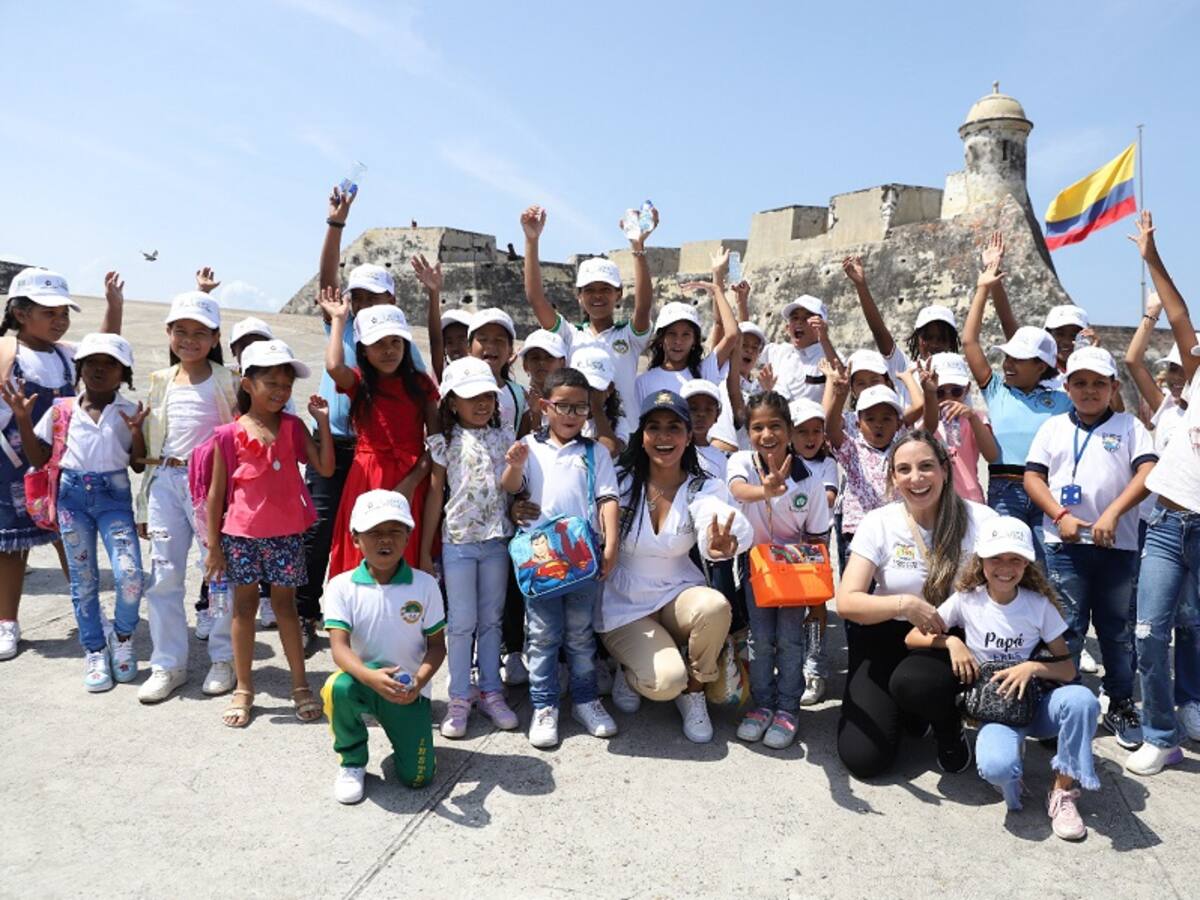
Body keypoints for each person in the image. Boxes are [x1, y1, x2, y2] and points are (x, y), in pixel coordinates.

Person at [907, 517, 1098, 841]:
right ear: (981, 561)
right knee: (997, 767)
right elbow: (913, 637)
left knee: (1083, 701)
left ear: (1027, 564)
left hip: (1036, 703)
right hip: (997, 711)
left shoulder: (1039, 606)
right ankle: (1012, 774)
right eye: (996, 558)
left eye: (1015, 559)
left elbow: (1067, 671)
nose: (1005, 568)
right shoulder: (968, 600)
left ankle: (1063, 790)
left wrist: (1033, 668)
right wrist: (952, 641)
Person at [836, 431, 998, 779]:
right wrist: (904, 604)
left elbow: (1008, 589)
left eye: (926, 467)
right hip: (885, 634)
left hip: (948, 638)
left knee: (915, 685)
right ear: (893, 477)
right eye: (904, 469)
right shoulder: (879, 522)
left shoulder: (982, 521)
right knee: (863, 759)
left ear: (945, 469)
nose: (916, 478)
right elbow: (847, 601)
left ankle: (947, 727)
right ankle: (912, 713)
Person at [596, 391, 752, 743]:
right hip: (624, 605)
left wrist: (721, 546)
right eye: (655, 427)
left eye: (673, 428)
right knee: (665, 682)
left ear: (687, 435)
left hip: (676, 595)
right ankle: (630, 666)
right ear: (642, 434)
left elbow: (719, 522)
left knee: (714, 606)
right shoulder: (619, 482)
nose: (664, 437)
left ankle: (695, 691)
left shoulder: (704, 485)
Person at [1024, 345, 1156, 751]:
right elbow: (1033, 478)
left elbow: (1148, 472)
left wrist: (1113, 513)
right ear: (1067, 386)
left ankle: (1119, 703)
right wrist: (1059, 514)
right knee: (1069, 627)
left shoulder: (1131, 426)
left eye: (1099, 383)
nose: (1089, 391)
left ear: (1113, 386)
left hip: (1118, 544)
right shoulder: (1052, 428)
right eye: (1080, 383)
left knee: (1117, 632)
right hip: (1065, 544)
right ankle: (1066, 702)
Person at [2, 333, 145, 689]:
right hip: (71, 501)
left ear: (124, 374)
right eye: (92, 363)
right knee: (83, 581)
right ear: (79, 369)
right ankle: (94, 649)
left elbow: (138, 465)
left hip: (114, 499)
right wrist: (22, 419)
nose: (100, 369)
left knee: (130, 575)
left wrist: (138, 433)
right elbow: (37, 459)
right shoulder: (62, 409)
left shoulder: (129, 411)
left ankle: (123, 638)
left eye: (110, 363)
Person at [205, 341, 335, 727]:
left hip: (285, 536)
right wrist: (214, 546)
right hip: (241, 536)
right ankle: (244, 688)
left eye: (286, 384)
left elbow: (325, 468)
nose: (280, 391)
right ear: (247, 384)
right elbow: (216, 495)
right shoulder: (227, 435)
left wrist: (322, 422)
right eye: (270, 383)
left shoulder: (294, 427)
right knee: (243, 609)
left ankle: (300, 686)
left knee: (286, 610)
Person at [296, 186, 403, 649]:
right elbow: (326, 282)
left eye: (374, 296)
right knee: (317, 529)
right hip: (330, 442)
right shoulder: (342, 326)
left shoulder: (396, 344)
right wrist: (335, 224)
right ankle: (304, 610)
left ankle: (371, 611)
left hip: (372, 454)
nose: (363, 303)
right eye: (358, 296)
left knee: (369, 532)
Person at [0, 267, 122, 661]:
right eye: (49, 312)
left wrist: (114, 305)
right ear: (20, 313)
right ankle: (6, 623)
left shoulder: (68, 356)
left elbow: (105, 348)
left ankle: (90, 613)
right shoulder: (6, 351)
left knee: (71, 544)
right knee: (10, 548)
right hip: (11, 464)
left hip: (60, 466)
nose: (60, 320)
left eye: (64, 313)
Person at [501, 367, 621, 748]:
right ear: (544, 407)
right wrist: (515, 463)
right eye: (562, 406)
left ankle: (585, 700)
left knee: (581, 636)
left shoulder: (595, 451)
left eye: (580, 408)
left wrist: (612, 545)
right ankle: (545, 705)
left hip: (583, 558)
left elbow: (608, 500)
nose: (571, 415)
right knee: (541, 635)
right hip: (540, 560)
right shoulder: (528, 446)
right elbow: (510, 487)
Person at [1124, 211, 1200, 774]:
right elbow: (1180, 320)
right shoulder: (1197, 377)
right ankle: (1161, 732)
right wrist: (1151, 258)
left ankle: (1192, 705)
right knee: (1149, 632)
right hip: (1172, 523)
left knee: (1195, 628)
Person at [135, 291, 239, 703]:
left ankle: (222, 657)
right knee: (163, 575)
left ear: (215, 338)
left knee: (217, 574)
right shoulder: (160, 380)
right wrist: (145, 502)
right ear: (168, 333)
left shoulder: (228, 380)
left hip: (211, 488)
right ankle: (168, 663)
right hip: (165, 480)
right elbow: (149, 442)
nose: (190, 340)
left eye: (200, 332)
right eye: (181, 331)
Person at [321, 490, 446, 805]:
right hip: (362, 682)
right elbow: (339, 648)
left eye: (394, 531)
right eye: (374, 532)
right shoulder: (341, 586)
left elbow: (436, 647)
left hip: (408, 691)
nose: (384, 540)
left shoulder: (425, 585)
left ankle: (402, 733)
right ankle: (352, 761)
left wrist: (418, 681)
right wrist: (369, 677)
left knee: (419, 779)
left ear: (408, 537)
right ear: (355, 539)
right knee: (336, 687)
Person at [418, 357, 519, 738]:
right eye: (470, 396)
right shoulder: (443, 443)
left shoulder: (505, 437)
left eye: (488, 396)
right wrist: (428, 549)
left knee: (491, 620)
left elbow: (513, 486)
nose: (481, 403)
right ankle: (459, 695)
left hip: (496, 541)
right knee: (460, 623)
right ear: (452, 403)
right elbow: (434, 496)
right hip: (458, 542)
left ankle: (491, 690)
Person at [728, 391, 831, 749]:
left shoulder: (811, 480)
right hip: (757, 567)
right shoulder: (740, 462)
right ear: (748, 432)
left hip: (796, 572)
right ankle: (763, 705)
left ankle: (787, 708)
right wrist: (766, 490)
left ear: (789, 430)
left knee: (789, 640)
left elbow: (819, 536)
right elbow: (738, 490)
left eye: (775, 425)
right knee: (759, 639)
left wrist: (818, 598)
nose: (766, 434)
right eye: (757, 427)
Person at [962, 241, 1071, 564]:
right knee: (1003, 561)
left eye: (1019, 359)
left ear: (1041, 366)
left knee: (1047, 567)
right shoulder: (996, 389)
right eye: (1007, 356)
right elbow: (969, 342)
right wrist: (984, 286)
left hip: (1047, 492)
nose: (1008, 364)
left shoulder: (1064, 400)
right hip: (1004, 489)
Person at [319, 294, 439, 576]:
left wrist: (410, 484)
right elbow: (334, 367)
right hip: (367, 477)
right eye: (379, 344)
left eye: (395, 342)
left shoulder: (421, 384)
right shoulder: (359, 382)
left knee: (405, 551)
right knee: (363, 552)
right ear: (363, 349)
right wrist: (339, 320)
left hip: (411, 478)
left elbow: (436, 443)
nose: (388, 350)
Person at [521, 203, 656, 438]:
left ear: (619, 294)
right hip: (576, 435)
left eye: (605, 289)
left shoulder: (628, 336)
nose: (598, 296)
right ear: (579, 296)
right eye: (590, 290)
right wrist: (532, 241)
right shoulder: (569, 334)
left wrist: (638, 247)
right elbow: (536, 299)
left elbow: (643, 306)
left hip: (626, 436)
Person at [825, 369, 938, 572]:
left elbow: (928, 427)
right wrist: (839, 396)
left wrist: (930, 393)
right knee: (857, 587)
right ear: (858, 423)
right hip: (857, 531)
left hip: (897, 529)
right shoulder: (852, 449)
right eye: (870, 419)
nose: (878, 424)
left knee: (894, 586)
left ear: (898, 425)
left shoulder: (903, 449)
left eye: (886, 419)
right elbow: (832, 430)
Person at [841, 253, 959, 405]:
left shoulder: (959, 375)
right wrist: (861, 285)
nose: (934, 344)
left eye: (941, 338)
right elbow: (878, 330)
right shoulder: (904, 369)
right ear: (918, 339)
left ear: (951, 342)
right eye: (928, 337)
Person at [634, 251, 739, 407]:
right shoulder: (643, 382)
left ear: (695, 341)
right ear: (661, 338)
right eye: (672, 334)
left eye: (686, 335)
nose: (678, 341)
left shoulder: (705, 371)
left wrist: (717, 288)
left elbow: (731, 334)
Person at [789, 397, 839, 705]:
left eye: (816, 431)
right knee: (788, 607)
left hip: (815, 545)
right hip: (785, 546)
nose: (810, 438)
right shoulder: (782, 463)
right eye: (802, 431)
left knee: (816, 604)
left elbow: (830, 496)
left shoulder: (827, 464)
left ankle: (815, 669)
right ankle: (792, 667)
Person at [928, 352, 998, 503]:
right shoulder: (927, 421)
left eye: (956, 391)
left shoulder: (976, 418)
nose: (948, 398)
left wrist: (972, 417)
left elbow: (992, 455)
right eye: (940, 393)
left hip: (970, 498)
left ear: (966, 389)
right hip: (937, 502)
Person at [760, 294, 839, 407]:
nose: (799, 322)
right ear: (787, 328)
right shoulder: (777, 352)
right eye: (795, 318)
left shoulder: (829, 357)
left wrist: (824, 338)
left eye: (807, 318)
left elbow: (840, 377)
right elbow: (744, 344)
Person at [468, 308, 526, 434]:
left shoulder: (519, 394)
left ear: (510, 350)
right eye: (483, 339)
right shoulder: (457, 390)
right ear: (469, 347)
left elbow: (523, 438)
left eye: (499, 340)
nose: (490, 345)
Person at [570, 345, 627, 457]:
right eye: (582, 387)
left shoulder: (619, 421)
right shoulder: (563, 414)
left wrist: (597, 408)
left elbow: (610, 450)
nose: (587, 395)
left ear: (609, 388)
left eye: (593, 389)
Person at [518, 329, 567, 433]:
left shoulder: (572, 399)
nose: (541, 362)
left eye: (549, 357)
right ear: (525, 365)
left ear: (562, 363)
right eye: (535, 358)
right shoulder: (519, 399)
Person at [680, 378, 727, 479]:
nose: (701, 414)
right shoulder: (673, 449)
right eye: (693, 408)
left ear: (717, 415)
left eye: (708, 409)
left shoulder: (720, 459)